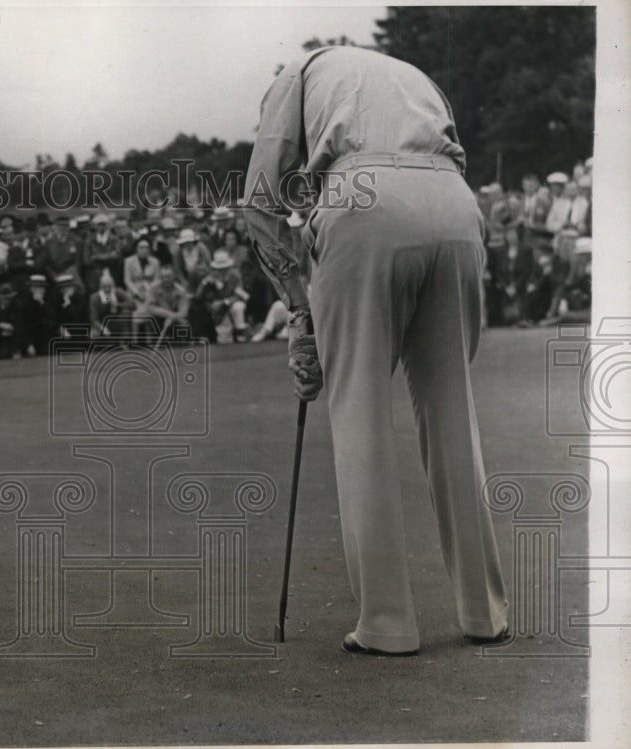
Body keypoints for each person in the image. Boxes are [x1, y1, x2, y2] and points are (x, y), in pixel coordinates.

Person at [245, 45, 508, 655]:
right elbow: (454, 156)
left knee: (360, 415)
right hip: (456, 206)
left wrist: (300, 310)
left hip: (364, 202)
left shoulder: (293, 75)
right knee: (451, 413)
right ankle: (485, 612)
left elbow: (261, 206)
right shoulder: (412, 74)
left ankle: (387, 624)